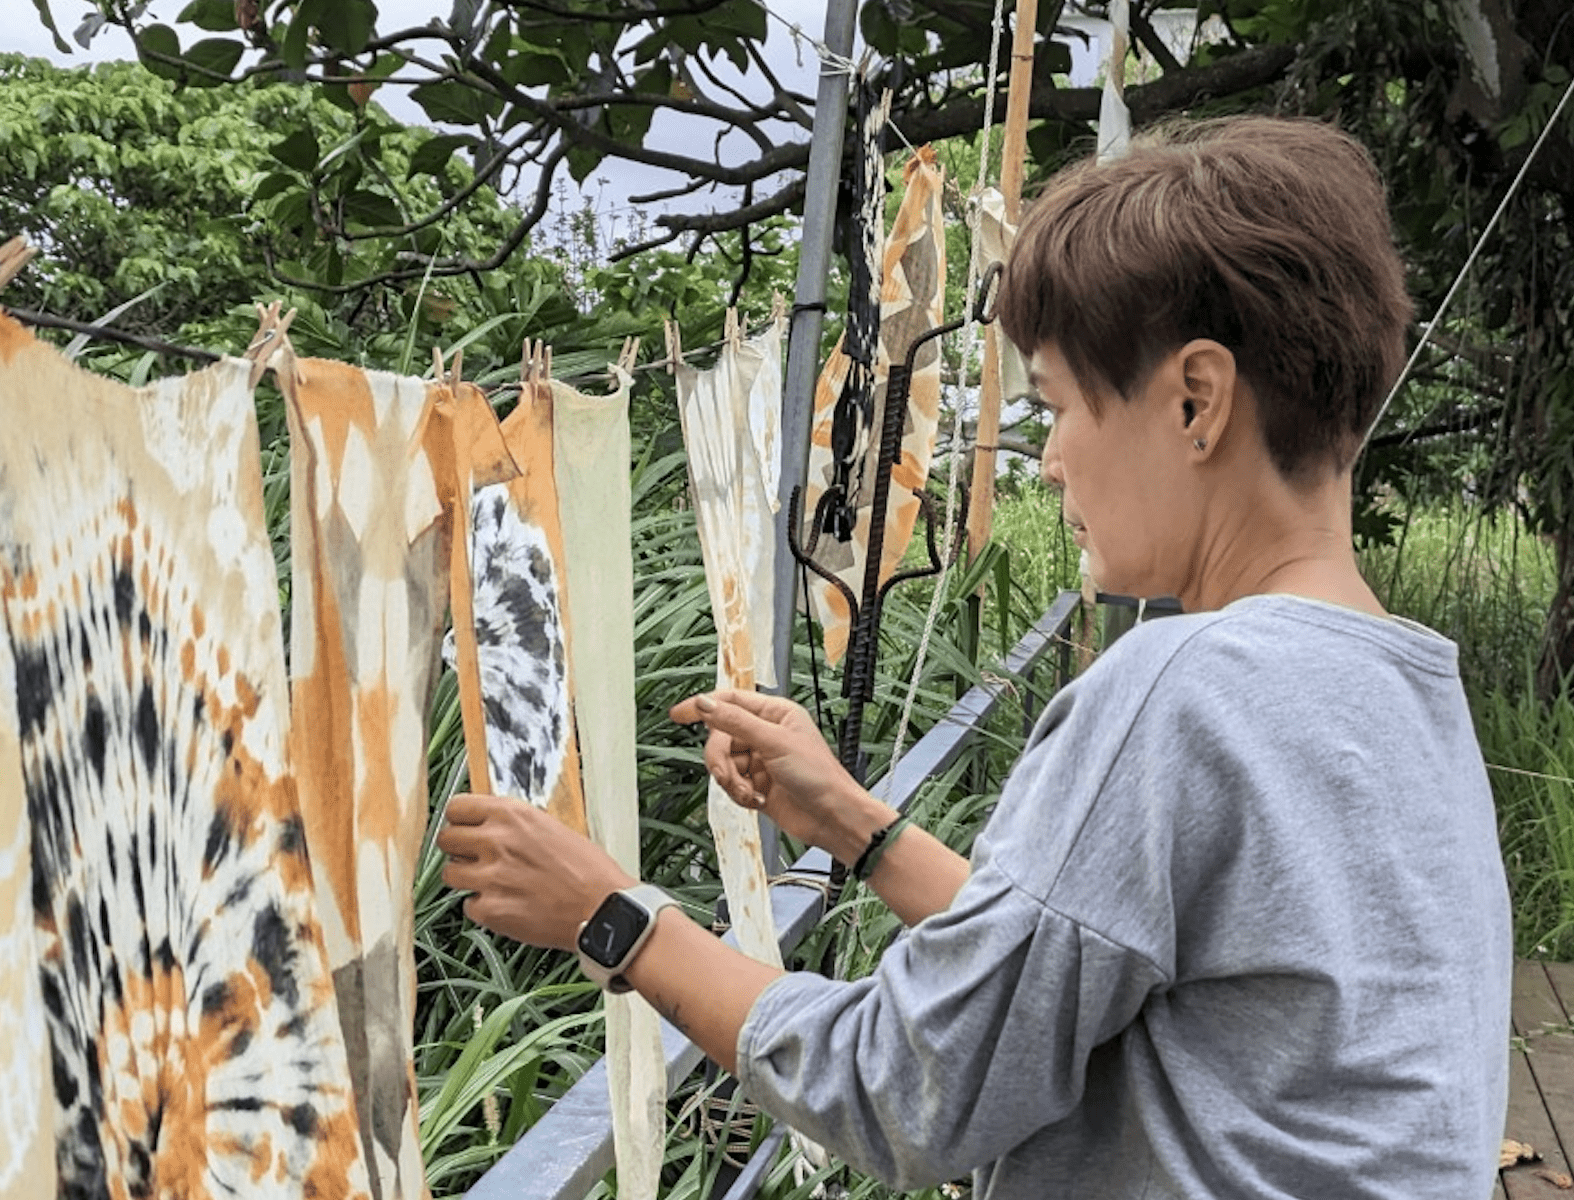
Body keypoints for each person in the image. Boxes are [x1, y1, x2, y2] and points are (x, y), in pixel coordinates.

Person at [436, 116, 1512, 1198]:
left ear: (1197, 399)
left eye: (1052, 405)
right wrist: (856, 825)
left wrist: (614, 915)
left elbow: (904, 1090)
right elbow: (1071, 968)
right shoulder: (1408, 686)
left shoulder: (1181, 689)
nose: (1047, 463)